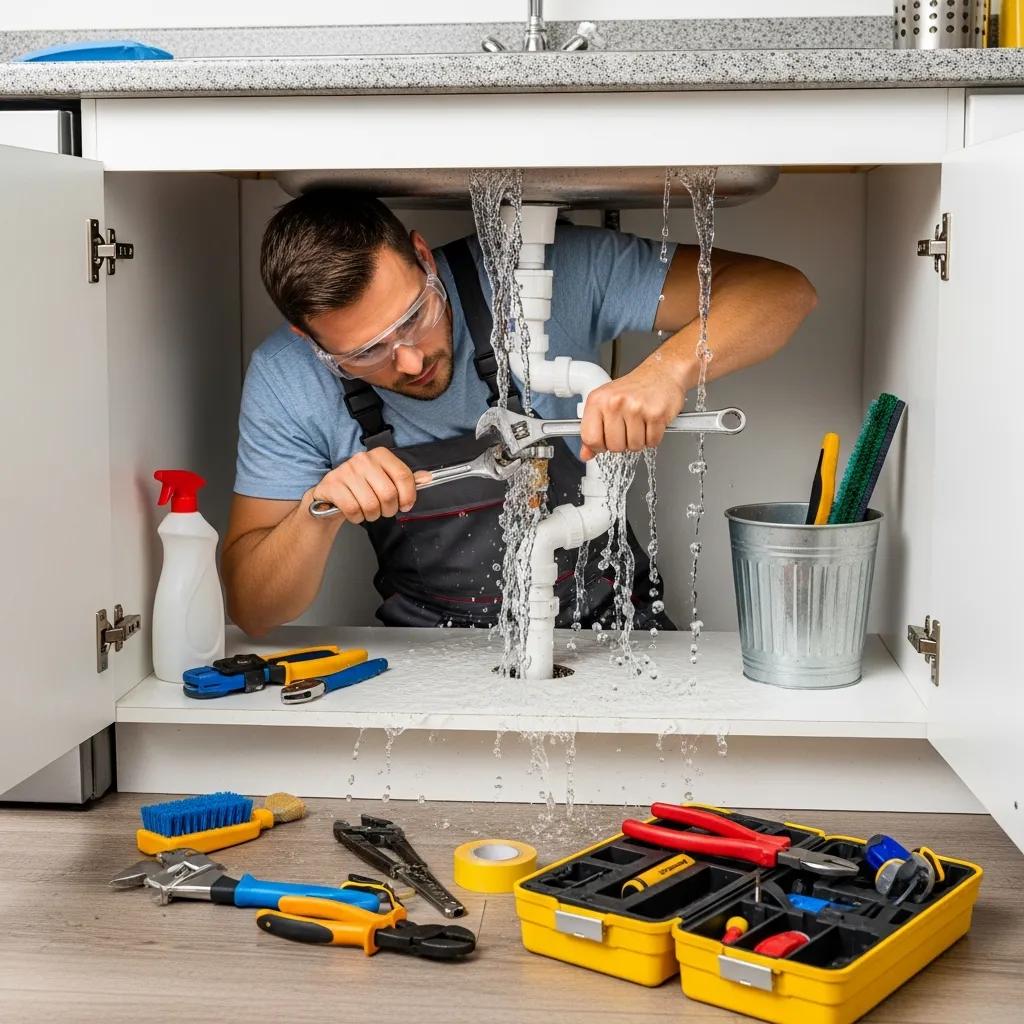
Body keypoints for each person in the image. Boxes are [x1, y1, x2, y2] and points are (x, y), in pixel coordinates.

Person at [223, 190, 816, 637]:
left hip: (615, 634)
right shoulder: (286, 379)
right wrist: (317, 512)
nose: (407, 360)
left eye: (414, 317)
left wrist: (667, 371)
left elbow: (783, 291)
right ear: (312, 343)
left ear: (423, 256)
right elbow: (252, 609)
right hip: (433, 654)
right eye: (364, 352)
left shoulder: (535, 274)